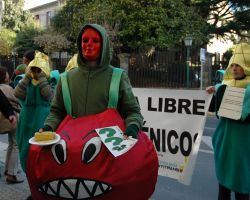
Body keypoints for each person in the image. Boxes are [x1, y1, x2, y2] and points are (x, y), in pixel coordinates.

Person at [41, 24, 143, 139]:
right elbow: (56, 112)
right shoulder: (65, 79)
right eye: (85, 40)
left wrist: (133, 126)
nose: (89, 44)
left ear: (104, 45)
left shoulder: (118, 77)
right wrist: (48, 127)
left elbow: (133, 112)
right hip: (72, 149)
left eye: (95, 40)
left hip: (107, 152)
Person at [206, 42, 250, 200]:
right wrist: (212, 93)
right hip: (225, 144)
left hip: (243, 147)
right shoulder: (224, 85)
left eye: (239, 65)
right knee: (223, 188)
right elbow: (215, 110)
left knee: (242, 189)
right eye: (233, 65)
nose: (235, 68)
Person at [14, 51, 58, 172]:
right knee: (25, 150)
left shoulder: (52, 80)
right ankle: (30, 177)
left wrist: (42, 77)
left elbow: (49, 96)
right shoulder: (25, 80)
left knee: (41, 151)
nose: (35, 70)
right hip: (26, 119)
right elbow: (17, 93)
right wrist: (27, 77)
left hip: (42, 119)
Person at [0, 67, 23, 183]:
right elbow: (18, 100)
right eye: (7, 73)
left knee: (10, 144)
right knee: (14, 144)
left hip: (2, 119)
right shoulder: (8, 88)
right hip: (9, 119)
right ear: (4, 76)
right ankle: (11, 174)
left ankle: (8, 169)